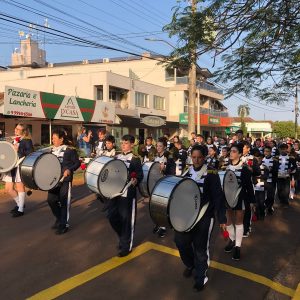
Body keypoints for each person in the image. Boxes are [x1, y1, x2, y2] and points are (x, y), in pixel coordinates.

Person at [174, 145, 226, 292]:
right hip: (187, 216)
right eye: (194, 157)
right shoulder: (187, 171)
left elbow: (218, 196)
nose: (196, 160)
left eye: (199, 157)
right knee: (180, 241)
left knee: (200, 249)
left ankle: (200, 277)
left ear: (204, 158)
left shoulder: (211, 172)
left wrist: (222, 218)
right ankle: (191, 264)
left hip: (204, 217)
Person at [107, 134, 143, 257]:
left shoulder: (135, 158)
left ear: (132, 144)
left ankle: (126, 246)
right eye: (122, 143)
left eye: (126, 143)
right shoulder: (116, 156)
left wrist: (135, 180)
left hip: (127, 192)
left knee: (126, 220)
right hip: (114, 191)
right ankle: (123, 237)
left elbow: (139, 175)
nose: (123, 145)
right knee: (111, 216)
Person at [223, 143, 255, 260]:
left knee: (239, 222)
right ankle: (232, 239)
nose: (231, 153)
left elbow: (249, 186)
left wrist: (252, 201)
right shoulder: (225, 167)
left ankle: (237, 246)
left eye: (234, 151)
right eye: (231, 151)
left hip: (240, 198)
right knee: (228, 222)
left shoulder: (245, 169)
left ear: (240, 154)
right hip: (227, 198)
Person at [47, 130, 81, 234]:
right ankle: (60, 218)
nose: (52, 140)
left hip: (65, 180)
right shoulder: (51, 150)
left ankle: (63, 225)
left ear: (61, 139)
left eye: (54, 138)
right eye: (52, 138)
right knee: (51, 200)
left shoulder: (69, 150)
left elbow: (77, 163)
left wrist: (69, 169)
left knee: (64, 202)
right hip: (53, 180)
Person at [3, 123, 33, 217]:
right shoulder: (14, 140)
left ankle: (20, 209)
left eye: (18, 129)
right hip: (11, 166)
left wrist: (18, 150)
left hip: (20, 165)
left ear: (23, 131)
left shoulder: (27, 140)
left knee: (20, 187)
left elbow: (30, 153)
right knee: (8, 189)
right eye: (15, 128)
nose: (15, 130)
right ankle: (20, 203)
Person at [152, 137, 176, 237]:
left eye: (160, 146)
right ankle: (158, 223)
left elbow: (172, 172)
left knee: (163, 206)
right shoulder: (155, 157)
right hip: (156, 184)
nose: (158, 148)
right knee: (155, 205)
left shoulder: (169, 158)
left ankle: (163, 227)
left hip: (164, 185)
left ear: (165, 147)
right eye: (157, 146)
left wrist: (164, 169)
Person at [276, 143, 296, 207]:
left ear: (286, 149)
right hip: (278, 176)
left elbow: (294, 166)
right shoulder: (276, 157)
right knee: (279, 189)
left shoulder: (291, 158)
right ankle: (281, 201)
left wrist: (290, 169)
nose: (282, 150)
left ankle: (285, 202)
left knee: (286, 190)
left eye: (284, 149)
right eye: (281, 149)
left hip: (287, 176)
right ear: (279, 149)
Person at [262, 146, 279, 215]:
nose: (266, 153)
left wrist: (270, 170)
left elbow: (276, 171)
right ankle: (263, 207)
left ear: (271, 152)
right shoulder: (262, 159)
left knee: (270, 195)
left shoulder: (274, 160)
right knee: (262, 195)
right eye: (265, 151)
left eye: (267, 151)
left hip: (271, 180)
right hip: (263, 180)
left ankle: (269, 207)